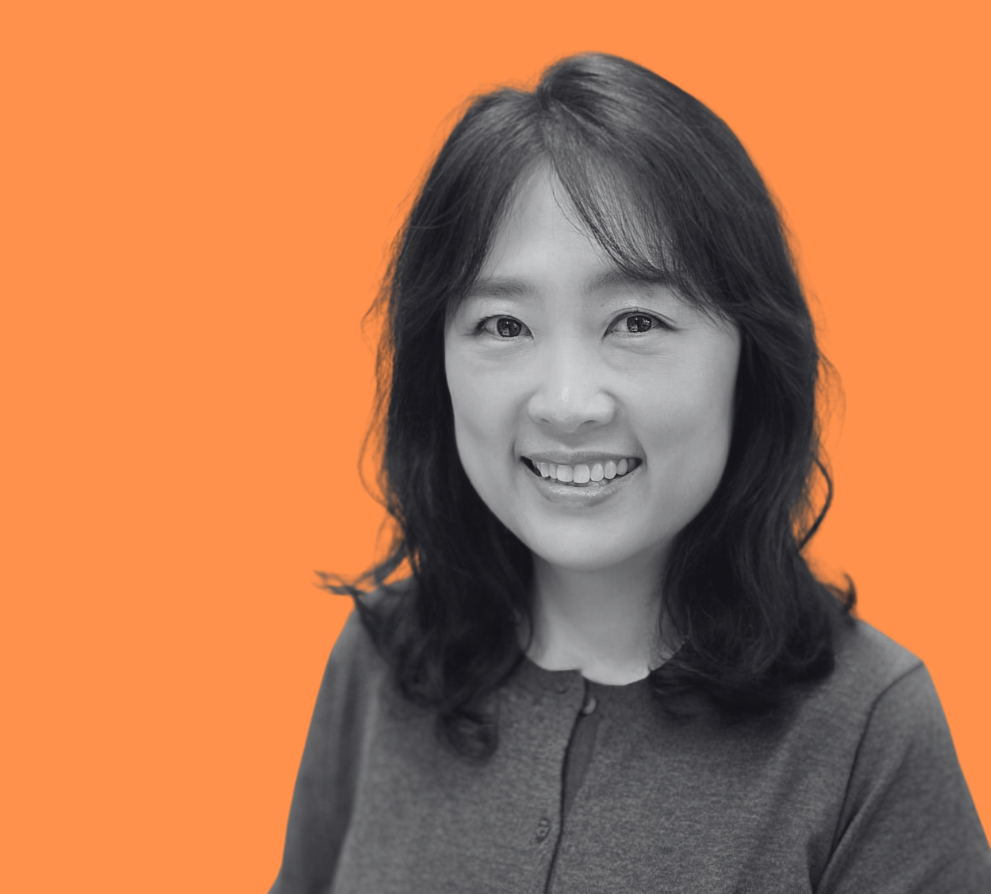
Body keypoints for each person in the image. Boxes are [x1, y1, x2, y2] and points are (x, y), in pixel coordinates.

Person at [269, 53, 990, 893]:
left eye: (636, 321)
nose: (567, 404)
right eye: (503, 325)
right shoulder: (380, 660)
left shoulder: (869, 726)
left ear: (750, 358)